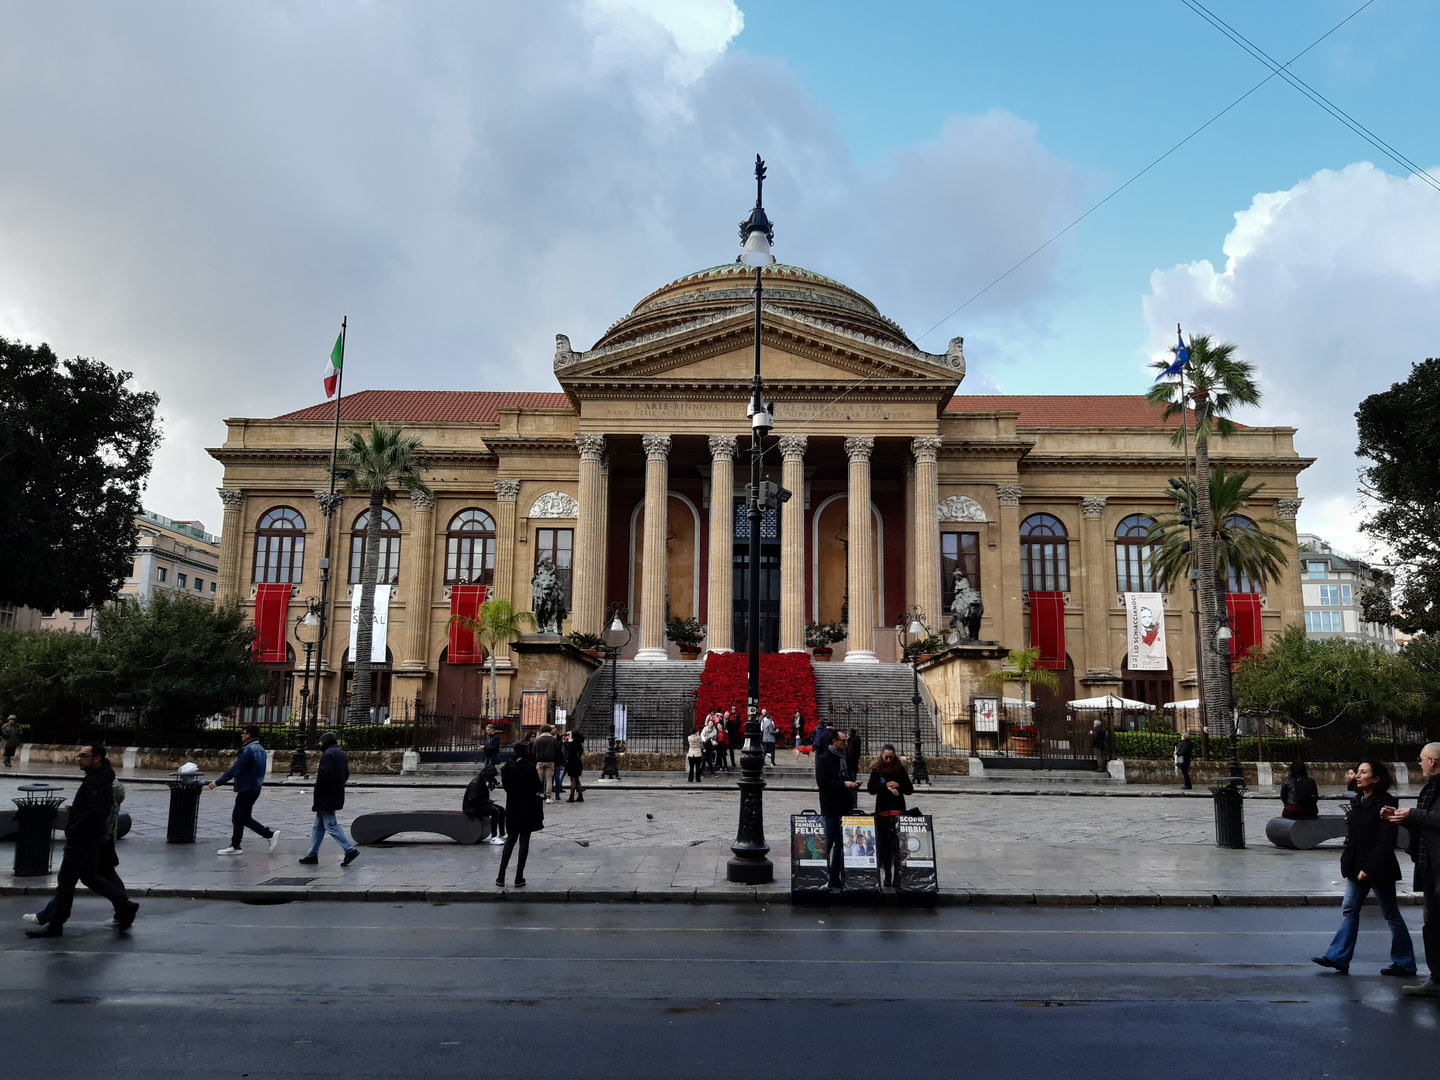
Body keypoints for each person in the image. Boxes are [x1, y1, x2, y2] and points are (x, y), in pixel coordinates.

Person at [1311, 761, 1415, 977]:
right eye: (1357, 772)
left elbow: (1387, 842)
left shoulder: (1385, 805)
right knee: (1349, 910)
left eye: (1363, 772)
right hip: (1356, 867)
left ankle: (1405, 963)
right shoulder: (1360, 801)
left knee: (1391, 914)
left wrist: (1370, 867)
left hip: (1378, 868)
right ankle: (1338, 957)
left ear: (1376, 779)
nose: (1358, 775)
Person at [25, 745, 138, 937]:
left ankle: (56, 923)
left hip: (82, 838)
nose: (79, 759)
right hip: (91, 836)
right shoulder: (100, 778)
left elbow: (96, 812)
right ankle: (124, 905)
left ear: (97, 758)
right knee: (89, 876)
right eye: (79, 755)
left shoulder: (95, 781)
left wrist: (73, 828)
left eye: (84, 756)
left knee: (66, 881)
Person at [1382, 742, 1440, 996]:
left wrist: (1414, 815)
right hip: (1428, 867)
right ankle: (1436, 979)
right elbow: (1425, 825)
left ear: (1434, 761)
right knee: (1432, 924)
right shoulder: (1429, 789)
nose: (1419, 762)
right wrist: (1401, 818)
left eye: (1422, 758)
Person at [208, 724, 278, 856]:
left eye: (243, 733)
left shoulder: (249, 749)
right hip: (253, 787)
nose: (241, 735)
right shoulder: (260, 749)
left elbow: (236, 768)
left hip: (247, 787)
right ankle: (235, 846)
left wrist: (218, 783)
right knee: (237, 818)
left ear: (249, 735)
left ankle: (269, 834)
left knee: (244, 818)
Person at [297, 732, 358, 866]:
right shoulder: (340, 754)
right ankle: (312, 854)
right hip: (335, 792)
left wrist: (320, 791)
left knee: (330, 824)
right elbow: (346, 774)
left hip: (326, 795)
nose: (319, 744)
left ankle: (349, 850)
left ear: (325, 742)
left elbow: (325, 775)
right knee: (318, 826)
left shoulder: (328, 754)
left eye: (320, 741)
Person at [815, 729, 859, 890]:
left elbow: (845, 778)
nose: (846, 743)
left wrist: (853, 784)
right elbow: (822, 782)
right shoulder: (824, 759)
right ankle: (819, 875)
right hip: (831, 808)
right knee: (827, 845)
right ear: (834, 742)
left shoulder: (844, 759)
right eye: (843, 741)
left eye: (846, 741)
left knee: (841, 846)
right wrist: (843, 784)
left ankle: (835, 877)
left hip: (844, 807)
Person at [496, 740, 544, 887]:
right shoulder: (529, 767)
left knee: (510, 840)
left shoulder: (507, 767)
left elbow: (506, 787)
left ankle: (501, 876)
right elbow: (538, 786)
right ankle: (519, 876)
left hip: (512, 806)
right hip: (527, 806)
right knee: (524, 840)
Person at [867, 744, 914, 889]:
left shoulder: (900, 769)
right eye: (885, 757)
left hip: (897, 810)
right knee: (884, 845)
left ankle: (896, 874)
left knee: (898, 845)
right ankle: (887, 872)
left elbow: (909, 789)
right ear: (881, 756)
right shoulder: (877, 769)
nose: (888, 760)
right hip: (882, 811)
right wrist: (885, 786)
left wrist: (898, 785)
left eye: (890, 757)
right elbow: (871, 789)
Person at [464, 764, 506, 845]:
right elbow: (472, 801)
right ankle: (493, 837)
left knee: (501, 809)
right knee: (495, 811)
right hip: (472, 807)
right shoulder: (476, 783)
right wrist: (486, 801)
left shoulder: (482, 782)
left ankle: (502, 834)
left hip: (479, 804)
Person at [533, 725, 559, 804]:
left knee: (538, 779)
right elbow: (557, 751)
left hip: (540, 761)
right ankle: (548, 797)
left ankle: (536, 794)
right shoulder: (553, 739)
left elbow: (533, 751)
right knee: (549, 780)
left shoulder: (537, 739)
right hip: (550, 761)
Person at [565, 729, 585, 803]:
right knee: (577, 780)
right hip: (578, 762)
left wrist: (569, 742)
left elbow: (570, 751)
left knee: (573, 780)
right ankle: (580, 796)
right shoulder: (579, 743)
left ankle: (572, 796)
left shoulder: (574, 743)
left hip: (573, 762)